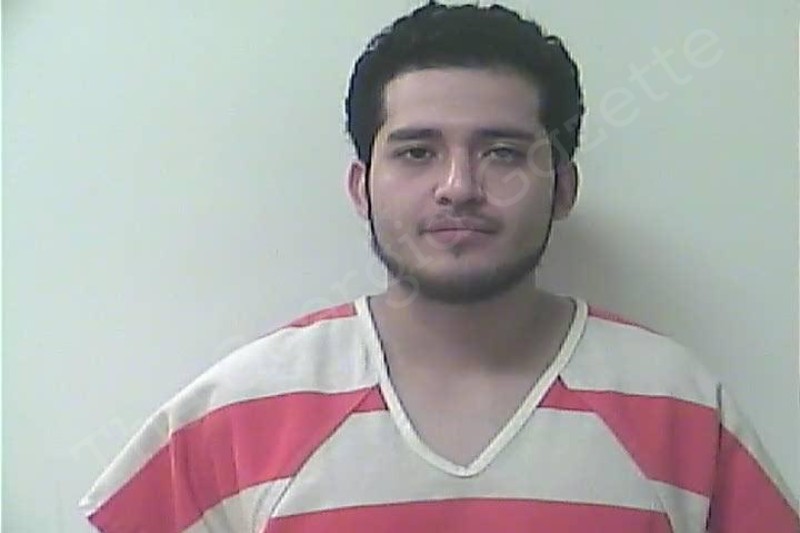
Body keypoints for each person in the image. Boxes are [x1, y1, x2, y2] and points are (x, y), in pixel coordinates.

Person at [80, 2, 799, 532]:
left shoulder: (682, 409)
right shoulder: (240, 411)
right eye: (418, 152)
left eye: (503, 152)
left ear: (563, 189)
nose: (458, 186)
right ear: (361, 187)